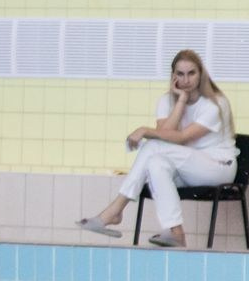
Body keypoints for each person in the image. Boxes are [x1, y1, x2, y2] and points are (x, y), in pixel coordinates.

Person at [73, 51, 240, 251]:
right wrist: (180, 101)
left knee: (153, 146)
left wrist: (144, 130)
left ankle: (115, 210)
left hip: (217, 168)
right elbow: (165, 134)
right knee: (155, 163)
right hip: (188, 167)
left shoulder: (215, 103)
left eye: (191, 73)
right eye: (180, 74)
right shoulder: (166, 101)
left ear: (201, 74)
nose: (185, 80)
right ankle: (176, 231)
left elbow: (181, 138)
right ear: (173, 76)